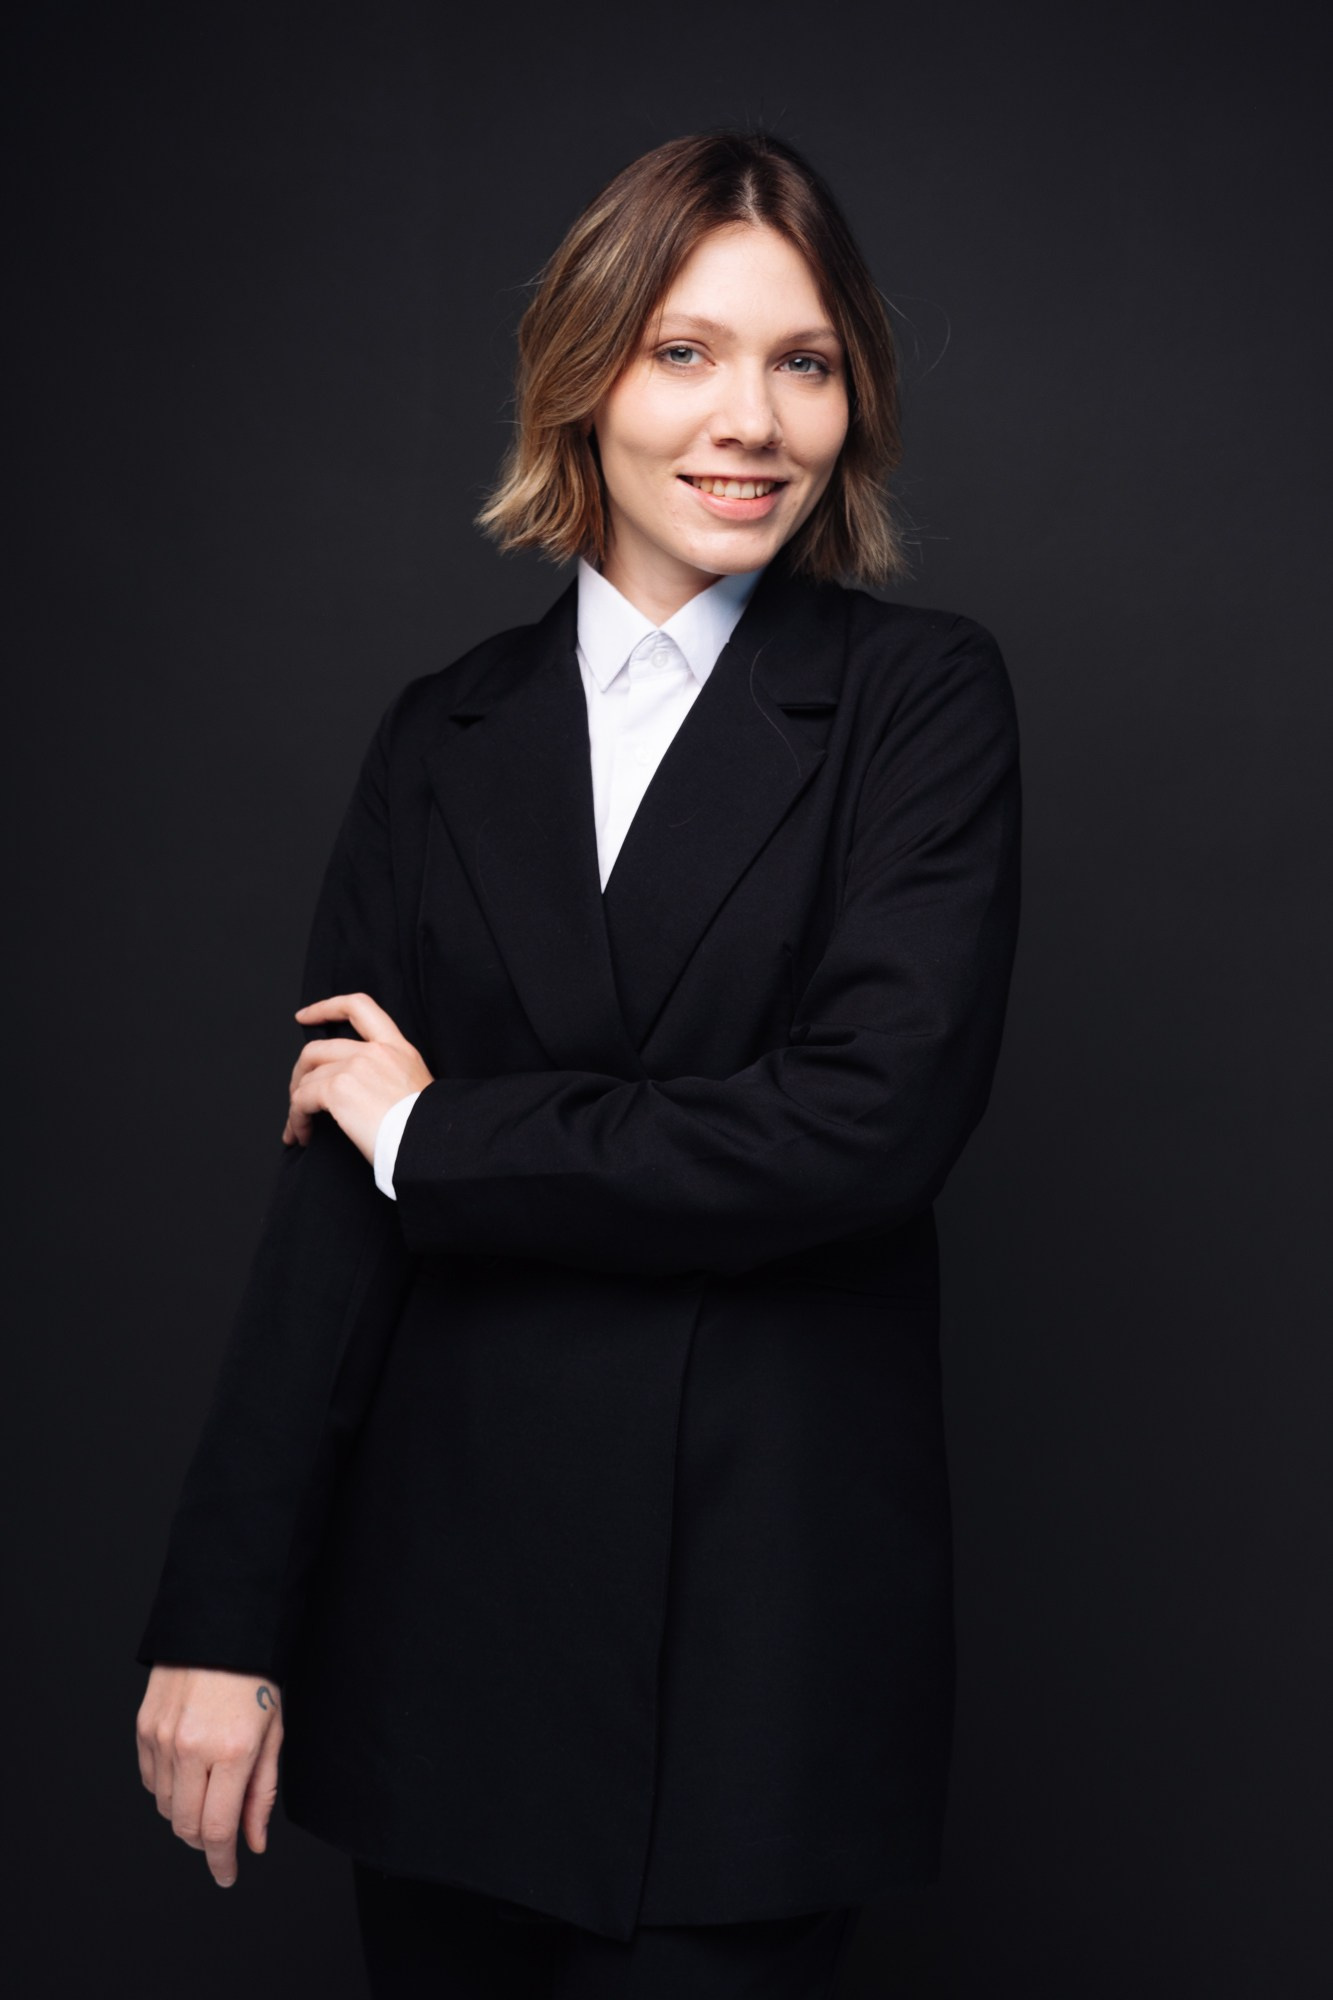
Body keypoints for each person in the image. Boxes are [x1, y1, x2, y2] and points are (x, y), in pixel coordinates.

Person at [135, 128, 1022, 1997]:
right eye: (683, 351)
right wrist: (222, 1619)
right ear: (582, 377)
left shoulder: (916, 701)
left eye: (802, 361)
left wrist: (442, 1139)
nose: (749, 419)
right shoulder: (440, 734)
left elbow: (857, 1128)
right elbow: (330, 1210)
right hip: (444, 1630)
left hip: (759, 1651)